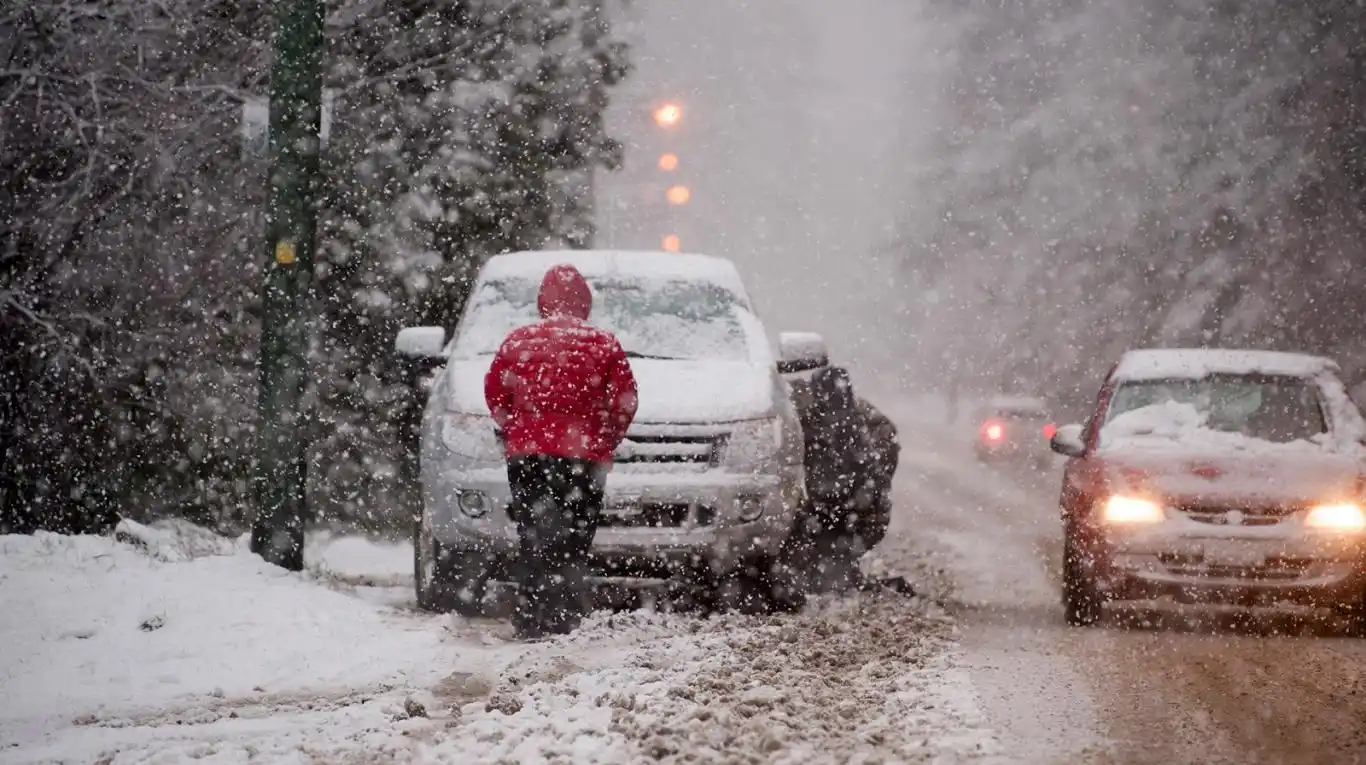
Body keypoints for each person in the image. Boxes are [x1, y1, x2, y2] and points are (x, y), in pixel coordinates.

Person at [484, 264, 638, 639]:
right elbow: (624, 401)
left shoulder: (517, 342)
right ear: (585, 302)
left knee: (534, 532)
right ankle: (566, 611)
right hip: (583, 457)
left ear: (542, 301)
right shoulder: (604, 344)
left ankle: (532, 612)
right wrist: (605, 437)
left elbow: (495, 393)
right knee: (574, 535)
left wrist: (515, 430)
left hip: (528, 456)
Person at [783, 364, 901, 592]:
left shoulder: (855, 419)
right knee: (826, 558)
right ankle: (835, 573)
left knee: (822, 559)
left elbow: (887, 449)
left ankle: (835, 575)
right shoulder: (861, 414)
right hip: (852, 512)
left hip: (848, 513)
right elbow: (889, 448)